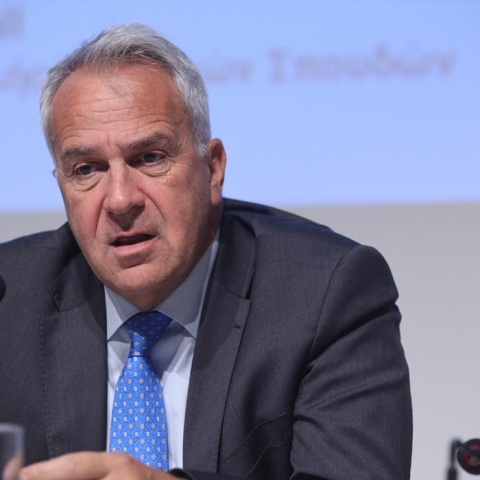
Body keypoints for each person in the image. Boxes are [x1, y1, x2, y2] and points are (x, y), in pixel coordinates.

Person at [0, 24, 412, 480]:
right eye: (86, 169)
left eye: (150, 158)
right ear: (61, 184)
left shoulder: (326, 294)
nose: (119, 200)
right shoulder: (8, 299)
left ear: (213, 168)